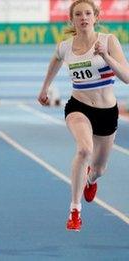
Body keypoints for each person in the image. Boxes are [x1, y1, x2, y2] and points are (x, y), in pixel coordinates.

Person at [37, 0, 129, 231]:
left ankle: (90, 180)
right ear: (72, 19)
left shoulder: (109, 41)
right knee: (84, 149)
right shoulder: (66, 46)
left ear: (96, 17)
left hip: (107, 112)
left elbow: (127, 78)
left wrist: (107, 57)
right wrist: (44, 88)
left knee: (99, 169)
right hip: (79, 106)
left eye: (88, 13)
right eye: (78, 14)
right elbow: (55, 61)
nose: (83, 18)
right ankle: (75, 210)